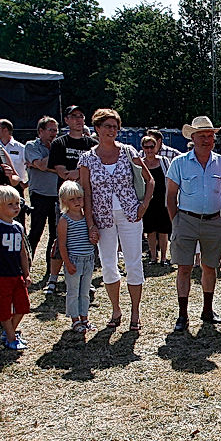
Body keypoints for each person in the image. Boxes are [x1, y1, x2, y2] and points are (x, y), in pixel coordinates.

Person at [78, 108, 152, 332]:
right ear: (97, 129)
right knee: (109, 265)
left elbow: (150, 181)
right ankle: (116, 310)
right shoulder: (87, 159)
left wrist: (144, 205)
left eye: (115, 126)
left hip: (130, 215)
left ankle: (135, 312)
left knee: (134, 263)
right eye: (107, 126)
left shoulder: (129, 152)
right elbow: (86, 193)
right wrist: (90, 223)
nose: (112, 130)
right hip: (103, 219)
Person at [166, 115, 221, 333]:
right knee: (184, 267)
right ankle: (182, 315)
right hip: (185, 220)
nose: (206, 139)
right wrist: (176, 220)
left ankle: (207, 310)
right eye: (202, 136)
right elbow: (170, 196)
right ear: (192, 138)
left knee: (209, 266)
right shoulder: (179, 163)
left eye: (210, 136)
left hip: (214, 221)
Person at [46, 106, 96, 288]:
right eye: (74, 116)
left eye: (81, 116)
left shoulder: (92, 144)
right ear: (66, 120)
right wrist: (78, 173)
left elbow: (94, 172)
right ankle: (53, 277)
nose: (79, 120)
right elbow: (61, 172)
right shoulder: (59, 143)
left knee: (86, 236)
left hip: (87, 198)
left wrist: (78, 173)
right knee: (61, 237)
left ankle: (85, 276)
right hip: (66, 199)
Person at [0, 185, 32, 351]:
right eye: (10, 204)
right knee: (3, 308)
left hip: (16, 274)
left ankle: (8, 331)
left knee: (23, 306)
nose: (16, 207)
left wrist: (26, 273)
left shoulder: (18, 227)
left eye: (17, 203)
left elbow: (22, 253)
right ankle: (11, 337)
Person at [24, 116, 60, 285]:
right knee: (36, 233)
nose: (54, 133)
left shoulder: (58, 146)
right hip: (39, 195)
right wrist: (51, 162)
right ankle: (25, 268)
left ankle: (50, 270)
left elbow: (62, 168)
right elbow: (41, 165)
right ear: (41, 131)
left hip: (57, 195)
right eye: (51, 130)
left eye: (56, 130)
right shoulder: (31, 146)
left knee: (55, 234)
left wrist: (46, 165)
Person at [57, 181, 95, 333]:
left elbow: (92, 234)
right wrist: (67, 263)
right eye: (72, 199)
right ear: (64, 201)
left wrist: (94, 236)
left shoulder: (87, 217)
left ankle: (84, 317)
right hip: (74, 260)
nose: (77, 202)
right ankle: (75, 319)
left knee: (85, 292)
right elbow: (62, 245)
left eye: (79, 198)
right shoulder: (64, 220)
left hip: (88, 259)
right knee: (73, 291)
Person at [140, 134, 172, 264]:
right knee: (150, 231)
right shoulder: (140, 163)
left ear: (156, 147)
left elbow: (170, 179)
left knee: (163, 231)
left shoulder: (164, 161)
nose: (149, 150)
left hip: (162, 201)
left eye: (152, 146)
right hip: (148, 201)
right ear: (142, 148)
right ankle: (153, 257)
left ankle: (164, 258)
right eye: (146, 147)